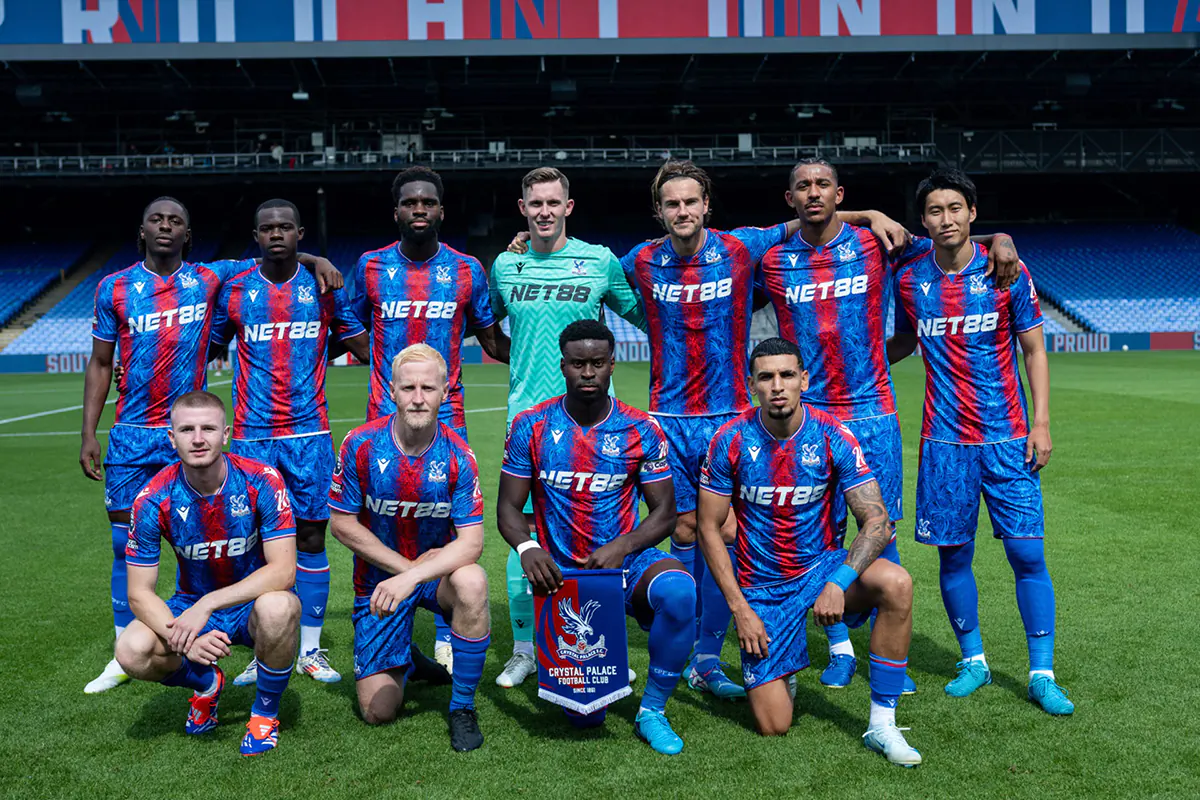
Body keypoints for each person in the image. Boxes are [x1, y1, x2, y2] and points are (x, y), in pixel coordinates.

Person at [617, 161, 909, 700]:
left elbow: (810, 215)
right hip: (670, 418)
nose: (682, 211)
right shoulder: (638, 259)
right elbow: (588, 271)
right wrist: (528, 244)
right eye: (671, 204)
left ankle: (771, 639)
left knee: (745, 530)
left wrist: (868, 213)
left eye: (691, 201)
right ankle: (698, 656)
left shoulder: (741, 247)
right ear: (659, 211)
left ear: (707, 205)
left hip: (728, 415)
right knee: (685, 531)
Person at [757, 159, 1021, 690]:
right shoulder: (770, 259)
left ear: (839, 192)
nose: (814, 193)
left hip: (873, 410)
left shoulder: (875, 245)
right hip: (810, 417)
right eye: (803, 187)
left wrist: (1001, 238)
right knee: (817, 531)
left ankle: (886, 650)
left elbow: (950, 239)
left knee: (881, 531)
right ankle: (839, 650)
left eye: (823, 186)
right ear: (790, 199)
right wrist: (870, 210)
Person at [80, 196, 340, 694]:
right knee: (125, 542)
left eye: (175, 220)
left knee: (232, 532)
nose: (165, 226)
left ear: (188, 235)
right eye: (156, 219)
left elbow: (276, 252)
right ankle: (125, 645)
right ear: (141, 229)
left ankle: (256, 634)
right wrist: (89, 432)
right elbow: (98, 362)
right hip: (133, 432)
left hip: (189, 428)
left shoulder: (209, 278)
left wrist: (316, 259)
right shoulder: (113, 287)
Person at [888, 168, 1072, 715]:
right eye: (935, 211)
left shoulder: (1005, 270)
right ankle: (974, 661)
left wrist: (1041, 424)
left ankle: (1042, 673)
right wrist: (854, 368)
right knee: (953, 557)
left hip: (1007, 436)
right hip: (944, 442)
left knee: (1027, 554)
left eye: (955, 208)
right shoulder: (909, 278)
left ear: (973, 214)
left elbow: (1034, 351)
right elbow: (901, 340)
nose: (946, 219)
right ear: (924, 221)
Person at [697, 338, 921, 766]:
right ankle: (784, 666)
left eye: (786, 375)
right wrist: (740, 609)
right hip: (762, 585)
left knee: (896, 583)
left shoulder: (832, 434)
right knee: (774, 724)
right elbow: (708, 528)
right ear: (752, 385)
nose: (777, 385)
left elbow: (878, 522)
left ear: (804, 379)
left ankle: (882, 724)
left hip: (819, 567)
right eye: (766, 377)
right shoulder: (728, 440)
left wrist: (838, 582)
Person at [497, 320, 695, 755]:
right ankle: (607, 664)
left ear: (612, 365)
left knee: (680, 591)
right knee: (586, 718)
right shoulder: (531, 426)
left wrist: (623, 546)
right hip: (562, 574)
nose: (588, 372)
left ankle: (652, 712)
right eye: (579, 364)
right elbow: (508, 509)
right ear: (563, 366)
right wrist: (529, 548)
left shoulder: (640, 427)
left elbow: (665, 513)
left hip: (623, 562)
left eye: (598, 363)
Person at [488, 167, 648, 689]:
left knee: (599, 530)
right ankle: (524, 649)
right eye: (535, 203)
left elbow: (647, 316)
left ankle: (598, 639)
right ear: (522, 208)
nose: (544, 211)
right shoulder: (505, 265)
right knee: (525, 537)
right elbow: (488, 329)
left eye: (553, 202)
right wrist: (525, 367)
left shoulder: (599, 260)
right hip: (528, 419)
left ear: (568, 207)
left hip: (595, 422)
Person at [353, 166, 507, 672]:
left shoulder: (466, 270)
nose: (419, 209)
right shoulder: (370, 267)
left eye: (428, 202)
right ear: (396, 210)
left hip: (450, 422)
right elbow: (348, 319)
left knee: (446, 526)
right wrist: (375, 357)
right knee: (380, 521)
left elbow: (489, 337)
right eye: (410, 202)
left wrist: (548, 359)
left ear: (441, 210)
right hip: (384, 420)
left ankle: (445, 630)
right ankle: (383, 615)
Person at [209, 199, 369, 687]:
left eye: (285, 228)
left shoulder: (323, 288)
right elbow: (209, 344)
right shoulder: (235, 288)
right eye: (266, 228)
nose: (275, 234)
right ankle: (266, 646)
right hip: (252, 438)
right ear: (255, 235)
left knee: (312, 538)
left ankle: (312, 649)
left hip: (310, 435)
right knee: (258, 545)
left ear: (300, 233)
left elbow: (360, 344)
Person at [115, 391, 301, 757]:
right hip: (190, 602)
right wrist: (187, 639)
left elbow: (284, 570)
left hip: (251, 600)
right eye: (186, 429)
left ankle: (264, 713)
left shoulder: (262, 480)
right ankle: (205, 682)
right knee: (131, 651)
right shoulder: (152, 498)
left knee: (280, 607)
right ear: (172, 437)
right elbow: (138, 593)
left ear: (226, 433)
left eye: (208, 428)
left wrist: (209, 603)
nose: (198, 438)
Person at [329, 344, 491, 752]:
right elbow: (341, 523)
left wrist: (415, 576)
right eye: (409, 387)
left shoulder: (459, 455)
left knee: (472, 581)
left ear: (445, 391)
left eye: (428, 388)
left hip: (434, 576)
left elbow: (472, 542)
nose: (418, 398)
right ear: (392, 391)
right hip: (379, 581)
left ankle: (462, 707)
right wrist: (403, 572)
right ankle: (409, 658)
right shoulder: (360, 444)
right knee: (378, 712)